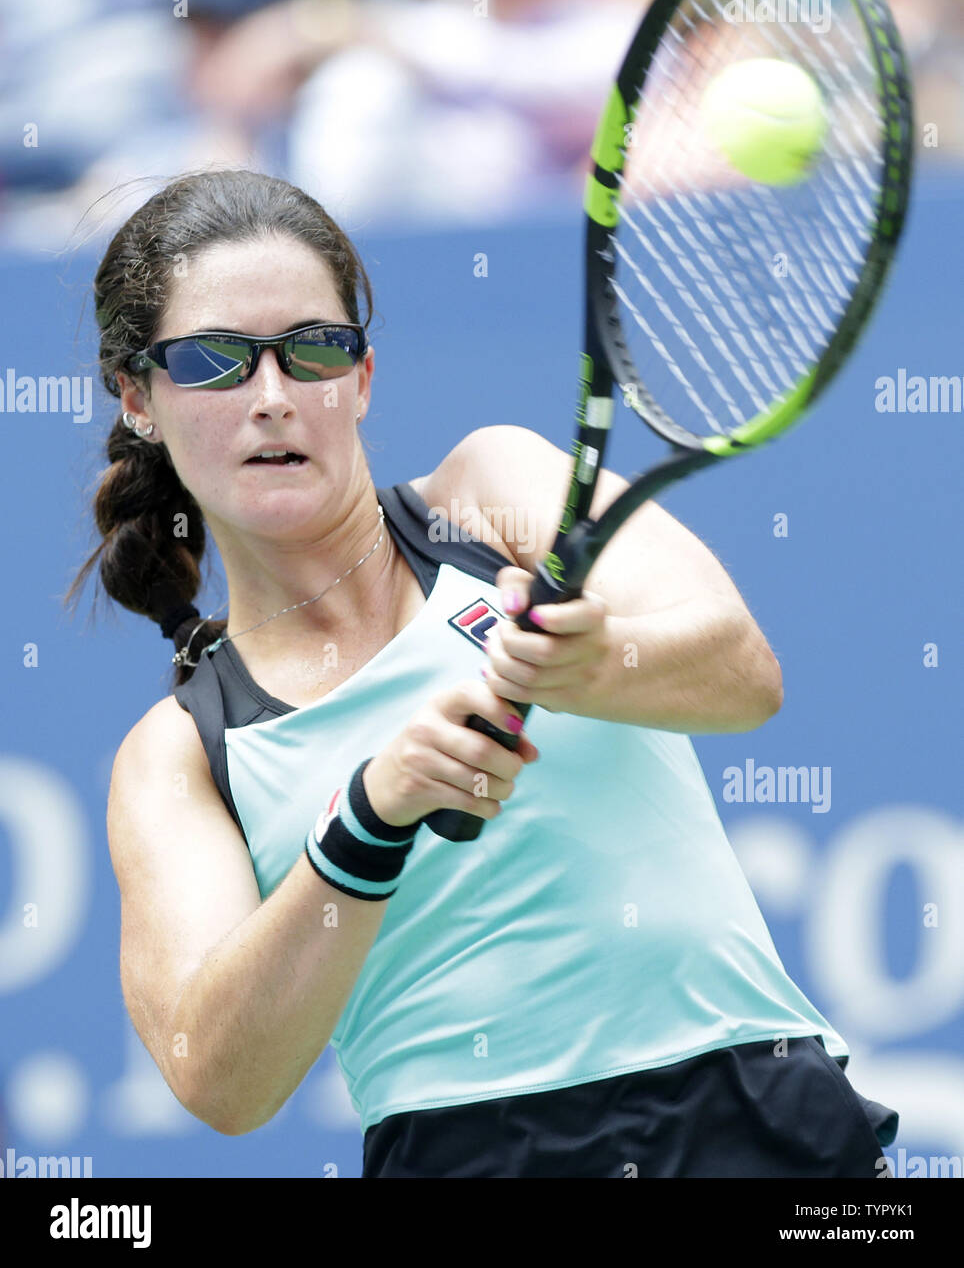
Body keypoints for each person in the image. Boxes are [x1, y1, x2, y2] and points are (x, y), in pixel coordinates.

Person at [69, 167, 898, 1178]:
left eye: (314, 350)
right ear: (138, 398)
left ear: (363, 378)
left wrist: (597, 661)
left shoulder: (492, 491)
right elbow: (221, 1080)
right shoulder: (178, 755)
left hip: (754, 1115)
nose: (275, 398)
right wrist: (368, 821)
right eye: (216, 362)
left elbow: (743, 674)